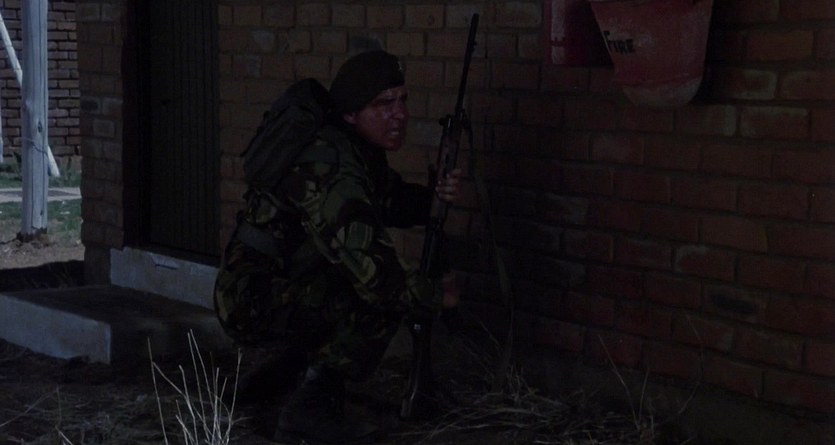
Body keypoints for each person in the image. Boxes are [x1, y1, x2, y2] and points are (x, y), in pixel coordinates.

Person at [213, 50, 461, 444]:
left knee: (347, 281)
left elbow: (388, 199)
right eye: (383, 104)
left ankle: (282, 378)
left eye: (403, 100)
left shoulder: (349, 146)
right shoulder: (330, 164)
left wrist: (432, 198)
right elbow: (380, 280)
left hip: (270, 282)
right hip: (253, 298)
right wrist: (437, 296)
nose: (399, 115)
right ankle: (308, 411)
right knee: (375, 298)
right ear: (349, 114)